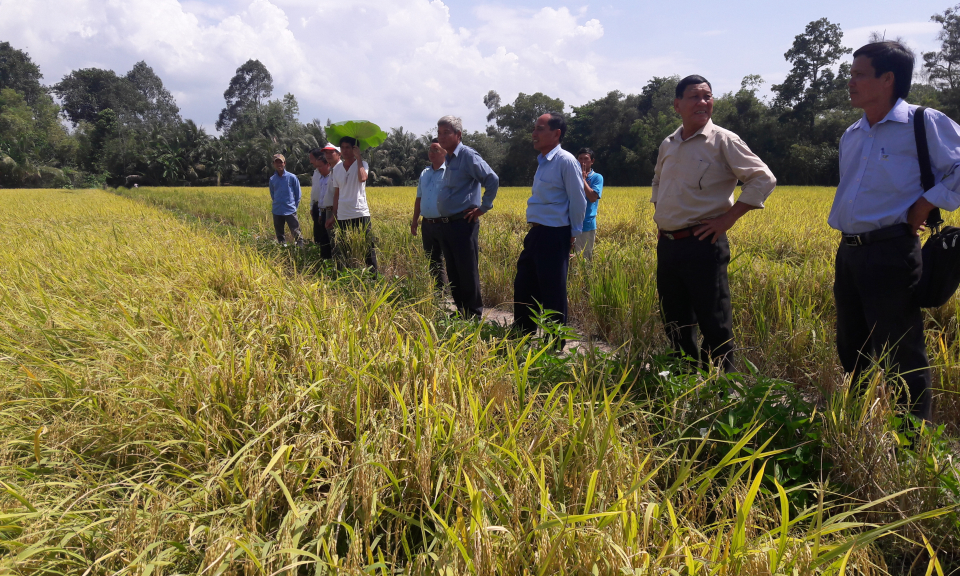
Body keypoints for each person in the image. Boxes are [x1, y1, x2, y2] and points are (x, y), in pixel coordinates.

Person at [830, 42, 960, 422]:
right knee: (851, 346)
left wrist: (925, 204)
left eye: (859, 75)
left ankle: (911, 438)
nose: (851, 82)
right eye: (851, 74)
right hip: (849, 252)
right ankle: (856, 424)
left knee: (900, 349)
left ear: (887, 79)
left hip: (892, 252)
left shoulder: (923, 121)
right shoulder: (852, 134)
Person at [651, 75, 776, 372]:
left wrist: (727, 220)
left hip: (703, 242)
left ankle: (722, 390)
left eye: (707, 96)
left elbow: (763, 178)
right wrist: (662, 218)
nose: (703, 102)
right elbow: (657, 181)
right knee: (675, 319)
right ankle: (683, 382)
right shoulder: (668, 143)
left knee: (714, 321)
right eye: (695, 96)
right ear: (677, 105)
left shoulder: (723, 140)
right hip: (669, 244)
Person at [512, 112, 587, 344]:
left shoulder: (565, 161)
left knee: (553, 291)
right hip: (537, 232)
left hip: (555, 233)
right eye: (534, 128)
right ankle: (522, 335)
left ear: (556, 134)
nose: (534, 134)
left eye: (540, 128)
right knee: (525, 284)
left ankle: (555, 343)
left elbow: (579, 200)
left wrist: (572, 236)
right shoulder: (543, 162)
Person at [436, 115, 500, 318]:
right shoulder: (449, 157)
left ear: (458, 134)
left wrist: (483, 207)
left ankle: (473, 313)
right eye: (439, 133)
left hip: (464, 223)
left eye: (446, 132)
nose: (442, 136)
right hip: (447, 224)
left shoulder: (467, 155)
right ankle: (461, 310)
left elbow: (492, 179)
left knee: (466, 269)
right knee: (453, 270)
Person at [326, 136, 378, 272]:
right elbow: (337, 194)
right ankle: (348, 276)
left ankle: (374, 278)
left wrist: (359, 158)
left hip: (360, 212)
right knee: (345, 248)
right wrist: (333, 216)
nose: (345, 150)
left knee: (368, 248)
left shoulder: (363, 164)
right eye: (342, 147)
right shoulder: (336, 169)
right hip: (343, 214)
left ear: (355, 149)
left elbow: (363, 178)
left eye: (348, 147)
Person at [410, 138, 448, 290]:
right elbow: (419, 198)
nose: (431, 153)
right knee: (433, 259)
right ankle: (440, 293)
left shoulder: (450, 172)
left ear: (445, 152)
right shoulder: (425, 173)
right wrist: (414, 222)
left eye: (435, 150)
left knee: (451, 260)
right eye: (430, 149)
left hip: (446, 223)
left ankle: (455, 295)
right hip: (427, 224)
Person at [268, 153, 304, 247]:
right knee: (279, 233)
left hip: (290, 210)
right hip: (277, 210)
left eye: (281, 162)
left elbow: (298, 194)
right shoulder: (272, 179)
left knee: (296, 231)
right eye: (277, 163)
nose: (279, 164)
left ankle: (301, 249)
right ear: (273, 164)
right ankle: (282, 249)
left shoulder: (292, 177)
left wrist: (293, 207)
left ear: (285, 163)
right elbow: (273, 194)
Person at [574, 148, 604, 261]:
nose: (582, 162)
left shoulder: (597, 177)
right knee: (569, 259)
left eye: (586, 159)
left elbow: (592, 198)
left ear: (592, 161)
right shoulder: (571, 176)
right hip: (569, 223)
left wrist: (582, 179)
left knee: (584, 260)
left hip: (586, 224)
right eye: (580, 159)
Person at [308, 147, 334, 258]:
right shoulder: (318, 175)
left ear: (327, 164)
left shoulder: (333, 176)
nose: (317, 168)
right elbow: (316, 193)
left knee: (331, 240)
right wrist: (318, 212)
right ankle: (324, 261)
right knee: (321, 239)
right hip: (320, 209)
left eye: (320, 166)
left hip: (331, 211)